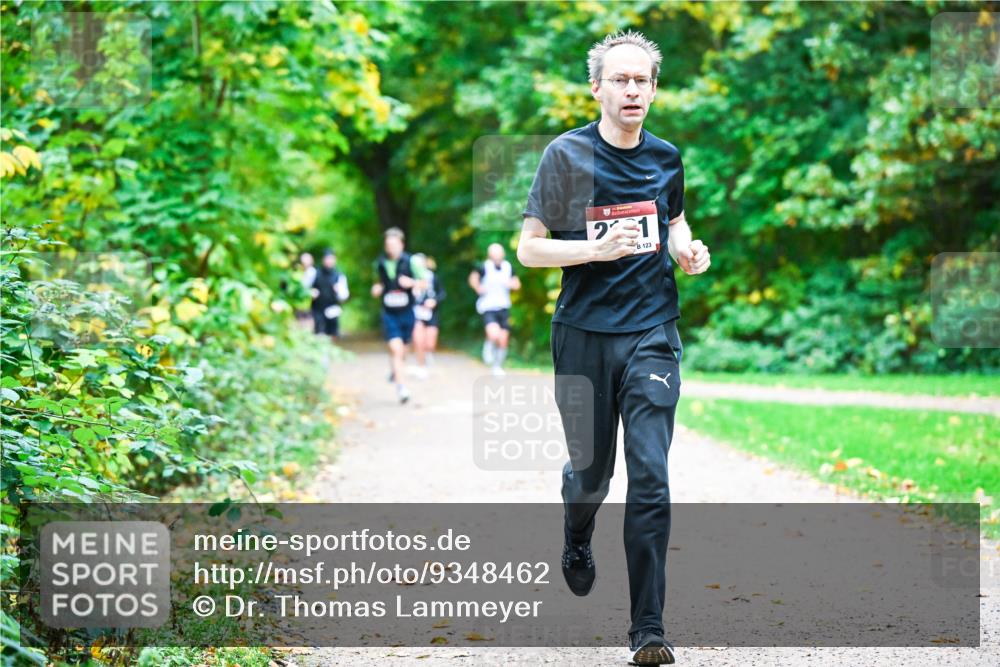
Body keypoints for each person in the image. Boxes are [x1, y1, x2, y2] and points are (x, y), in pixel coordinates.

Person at [516, 30, 711, 665]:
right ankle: (577, 532)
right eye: (620, 80)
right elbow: (530, 247)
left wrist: (688, 249)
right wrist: (591, 250)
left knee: (650, 473)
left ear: (654, 89)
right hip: (583, 334)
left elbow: (674, 218)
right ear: (596, 87)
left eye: (643, 81)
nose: (633, 91)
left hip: (652, 330)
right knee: (591, 474)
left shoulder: (666, 157)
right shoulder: (567, 157)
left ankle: (647, 630)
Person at [371, 227, 417, 404]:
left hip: (407, 312)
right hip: (389, 312)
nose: (391, 247)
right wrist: (377, 289)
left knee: (403, 350)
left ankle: (395, 370)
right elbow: (376, 284)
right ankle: (402, 388)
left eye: (394, 244)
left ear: (401, 244)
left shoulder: (411, 262)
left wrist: (411, 283)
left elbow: (425, 283)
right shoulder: (379, 264)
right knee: (396, 349)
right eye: (388, 244)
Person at [468, 243, 521, 377]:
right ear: (490, 255)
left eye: (499, 254)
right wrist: (478, 288)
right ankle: (488, 345)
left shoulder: (508, 267)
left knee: (503, 340)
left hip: (503, 307)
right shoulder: (484, 267)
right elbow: (472, 278)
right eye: (494, 255)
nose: (497, 257)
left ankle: (497, 366)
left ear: (502, 255)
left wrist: (512, 284)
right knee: (494, 334)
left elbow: (517, 284)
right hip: (488, 306)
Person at [411, 254, 445, 379]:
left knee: (430, 343)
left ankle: (427, 354)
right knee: (419, 341)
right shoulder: (410, 278)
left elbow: (442, 293)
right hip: (416, 312)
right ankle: (421, 366)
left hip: (431, 313)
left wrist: (434, 301)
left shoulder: (433, 277)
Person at [311, 249, 349, 341]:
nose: (329, 261)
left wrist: (338, 291)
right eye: (327, 258)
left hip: (333, 308)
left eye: (331, 259)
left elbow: (344, 296)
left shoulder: (339, 275)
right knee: (319, 333)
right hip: (318, 308)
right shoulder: (314, 273)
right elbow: (304, 288)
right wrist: (311, 292)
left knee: (333, 333)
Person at [299, 252, 320, 329]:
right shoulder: (299, 272)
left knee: (310, 322)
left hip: (312, 303)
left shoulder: (315, 273)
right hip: (300, 303)